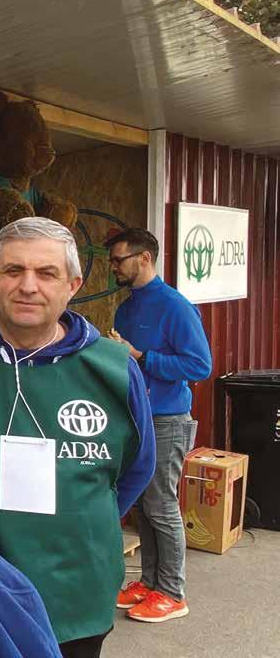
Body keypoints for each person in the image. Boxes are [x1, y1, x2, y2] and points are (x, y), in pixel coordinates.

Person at [0, 217, 155, 658]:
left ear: (73, 285)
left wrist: (79, 521)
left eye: (47, 273)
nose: (28, 286)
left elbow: (138, 466)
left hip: (77, 593)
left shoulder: (114, 369)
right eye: (13, 270)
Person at [105, 227, 211, 623]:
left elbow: (199, 365)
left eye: (119, 260)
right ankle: (150, 582)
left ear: (145, 258)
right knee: (143, 505)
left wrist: (140, 356)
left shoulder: (175, 307)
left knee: (161, 505)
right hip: (135, 419)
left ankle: (172, 592)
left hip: (166, 419)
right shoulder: (126, 308)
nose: (113, 267)